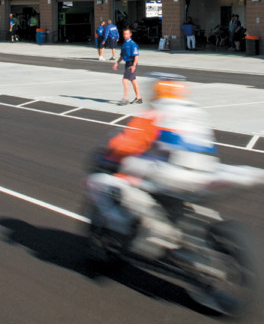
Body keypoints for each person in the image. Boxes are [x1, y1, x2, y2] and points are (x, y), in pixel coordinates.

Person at [86, 79, 218, 258]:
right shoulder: (197, 114)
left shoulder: (155, 114)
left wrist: (109, 150)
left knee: (112, 181)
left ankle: (151, 229)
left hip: (169, 175)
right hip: (204, 175)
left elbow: (128, 143)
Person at [112, 28, 142, 105]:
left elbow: (136, 56)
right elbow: (122, 56)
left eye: (127, 34)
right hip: (127, 63)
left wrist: (134, 65)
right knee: (133, 80)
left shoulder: (133, 44)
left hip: (132, 64)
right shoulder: (124, 44)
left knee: (125, 80)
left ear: (130, 34)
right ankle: (138, 98)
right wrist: (117, 62)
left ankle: (125, 98)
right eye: (124, 34)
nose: (125, 35)